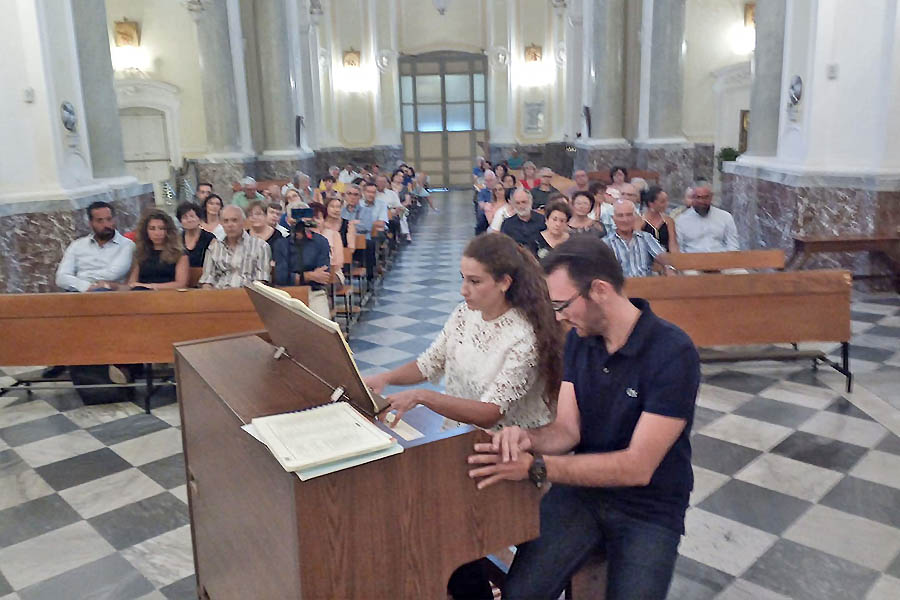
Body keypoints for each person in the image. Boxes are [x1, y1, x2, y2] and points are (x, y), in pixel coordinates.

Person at [468, 235, 701, 600]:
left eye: (562, 304)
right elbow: (567, 429)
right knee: (521, 593)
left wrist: (537, 468)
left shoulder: (672, 351)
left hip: (650, 505)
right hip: (584, 494)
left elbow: (637, 467)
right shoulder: (580, 339)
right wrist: (525, 437)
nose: (558, 316)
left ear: (600, 290)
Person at [56, 201, 135, 292]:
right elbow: (61, 278)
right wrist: (87, 286)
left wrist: (80, 277)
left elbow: (113, 274)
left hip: (110, 294)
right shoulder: (77, 245)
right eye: (100, 220)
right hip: (78, 293)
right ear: (90, 223)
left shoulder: (127, 245)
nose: (106, 225)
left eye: (109, 219)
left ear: (114, 220)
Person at [273, 213, 332, 318]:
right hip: (287, 294)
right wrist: (309, 276)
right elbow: (281, 278)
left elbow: (323, 276)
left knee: (322, 325)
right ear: (287, 220)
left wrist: (295, 277)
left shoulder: (321, 242)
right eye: (295, 217)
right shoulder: (280, 244)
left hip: (314, 293)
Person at [199, 205, 271, 289]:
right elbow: (207, 280)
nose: (230, 225)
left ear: (243, 222)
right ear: (221, 224)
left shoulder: (261, 246)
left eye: (234, 220)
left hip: (248, 296)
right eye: (226, 221)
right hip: (219, 295)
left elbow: (262, 280)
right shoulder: (214, 248)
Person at [604, 199, 676, 278]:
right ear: (613, 218)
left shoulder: (645, 238)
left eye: (629, 215)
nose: (625, 220)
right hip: (619, 287)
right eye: (620, 216)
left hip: (645, 286)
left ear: (635, 217)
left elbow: (661, 255)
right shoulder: (606, 243)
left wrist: (668, 268)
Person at [126, 209, 189, 290]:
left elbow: (181, 284)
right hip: (142, 294)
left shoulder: (179, 253)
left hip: (169, 295)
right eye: (152, 229)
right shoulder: (140, 252)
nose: (157, 233)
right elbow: (132, 282)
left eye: (161, 228)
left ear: (168, 231)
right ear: (146, 231)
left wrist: (150, 286)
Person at [675, 179, 739, 253]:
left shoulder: (726, 217)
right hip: (692, 262)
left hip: (721, 261)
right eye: (698, 197)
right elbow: (679, 250)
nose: (701, 201)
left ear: (711, 197)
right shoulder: (681, 221)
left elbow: (733, 246)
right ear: (693, 198)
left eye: (705, 197)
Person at [310, 201, 346, 284]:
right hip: (311, 274)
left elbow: (339, 263)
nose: (315, 221)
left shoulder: (334, 234)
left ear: (324, 219)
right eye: (312, 219)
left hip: (332, 273)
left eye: (318, 218)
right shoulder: (304, 236)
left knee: (321, 282)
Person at [177, 202, 216, 269]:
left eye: (192, 216)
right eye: (185, 217)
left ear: (199, 219)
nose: (189, 220)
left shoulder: (210, 239)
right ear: (180, 221)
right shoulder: (177, 239)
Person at [641, 186, 679, 252]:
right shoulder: (640, 221)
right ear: (651, 204)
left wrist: (675, 258)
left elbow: (673, 244)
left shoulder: (668, 221)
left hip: (665, 256)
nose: (666, 204)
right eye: (662, 202)